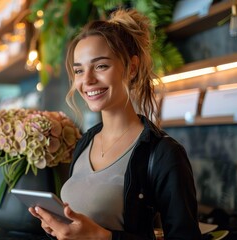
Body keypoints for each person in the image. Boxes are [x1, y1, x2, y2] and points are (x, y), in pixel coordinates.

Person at [29, 8, 201, 239]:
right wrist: (58, 228)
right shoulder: (85, 142)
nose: (87, 80)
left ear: (131, 68)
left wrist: (103, 237)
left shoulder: (163, 154)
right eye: (79, 70)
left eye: (100, 66)